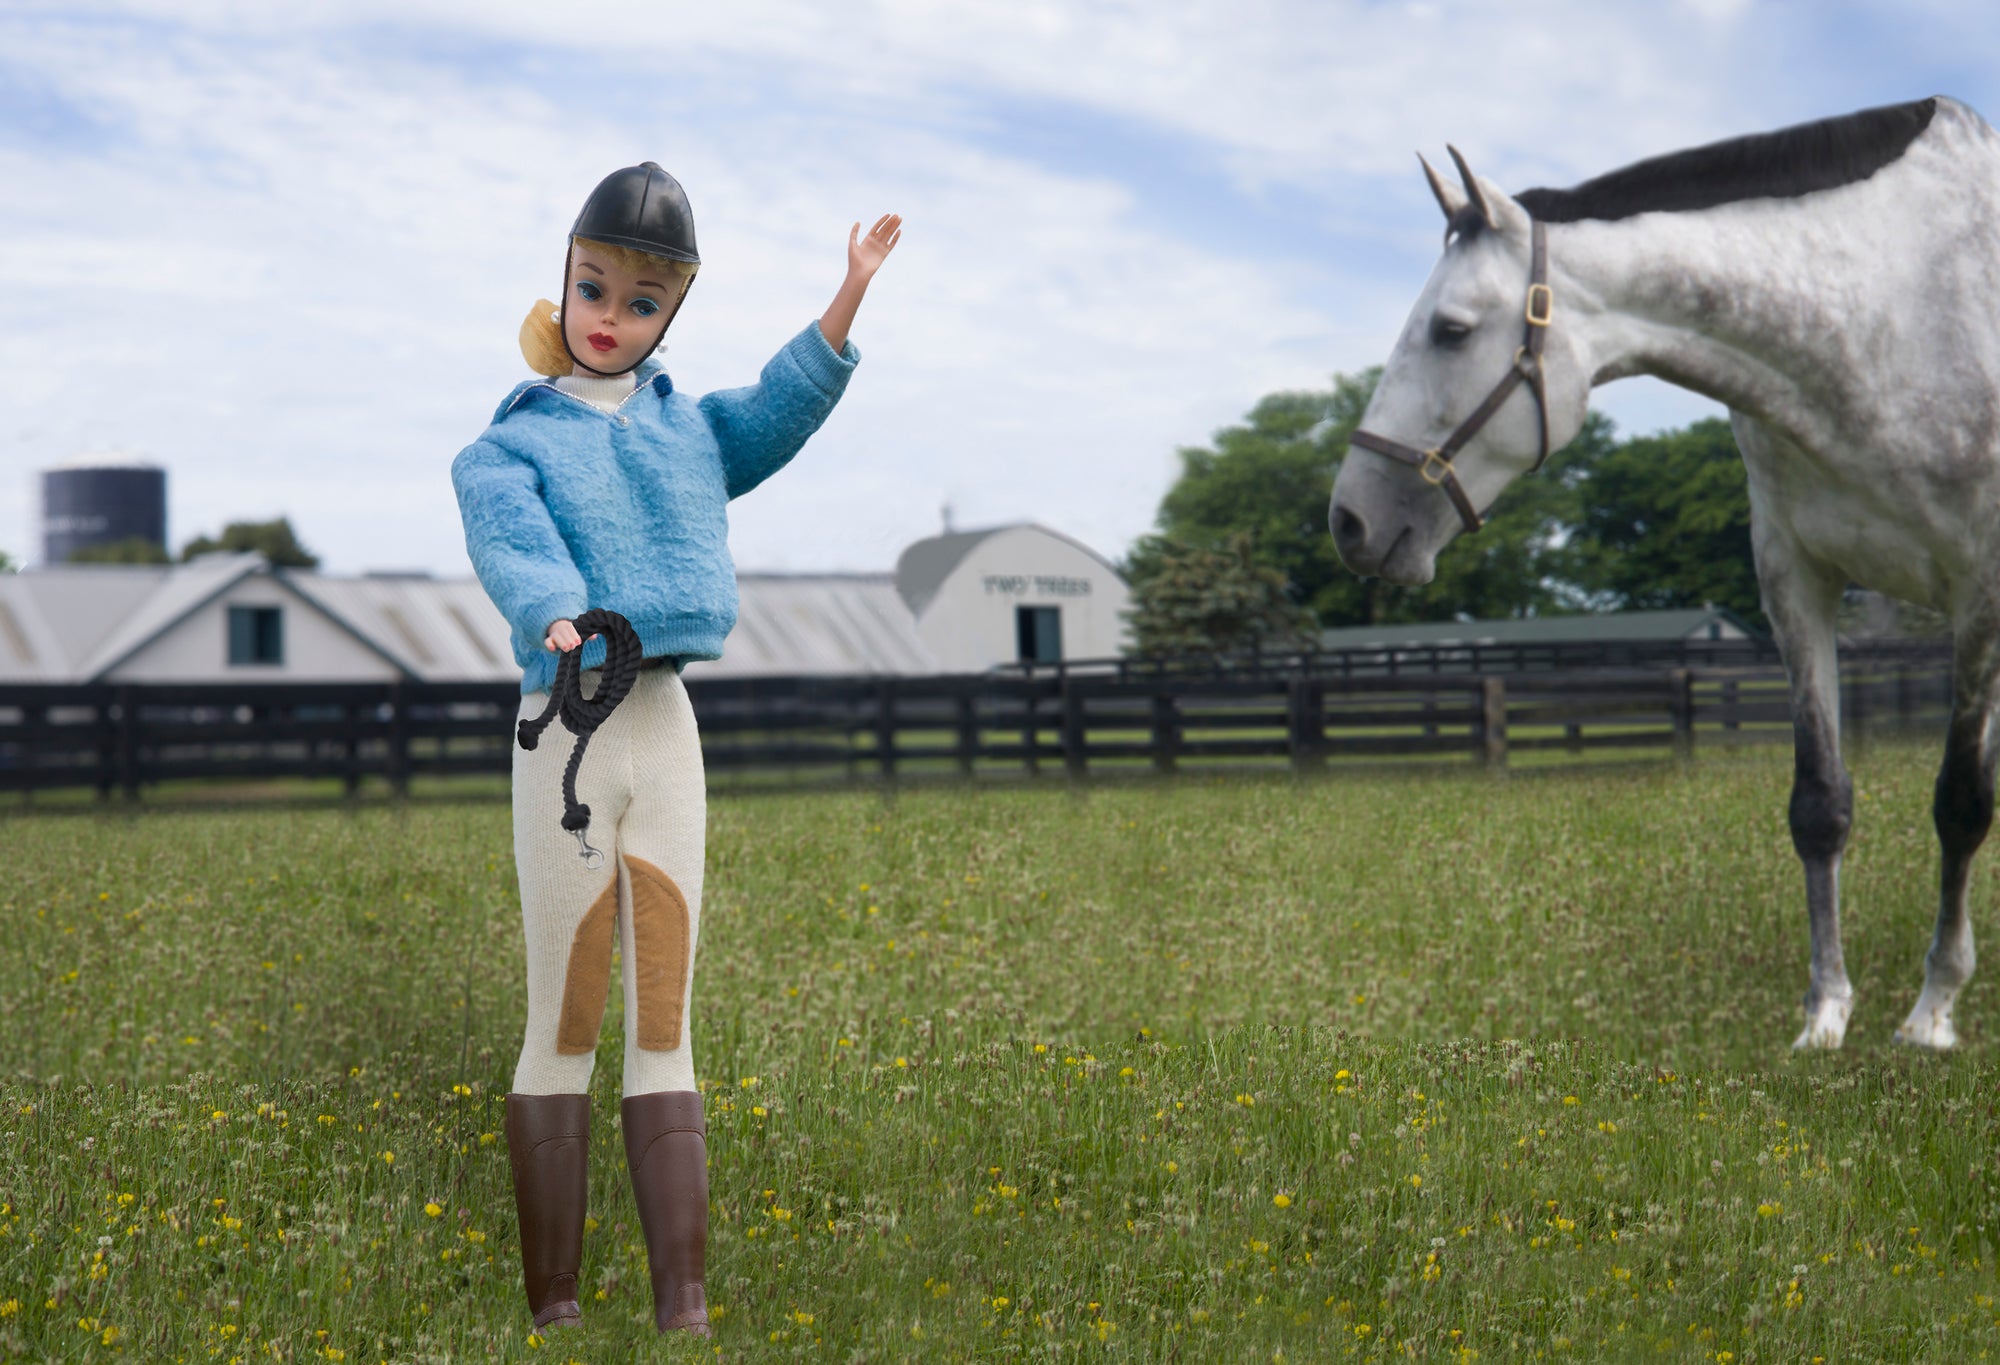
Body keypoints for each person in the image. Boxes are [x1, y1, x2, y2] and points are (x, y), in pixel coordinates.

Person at [452, 161, 900, 1337]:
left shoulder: (687, 431)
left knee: (666, 1007)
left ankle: (682, 1304)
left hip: (666, 722)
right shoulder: (509, 446)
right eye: (595, 288)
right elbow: (514, 542)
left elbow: (775, 410)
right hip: (571, 721)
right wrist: (553, 608)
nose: (610, 317)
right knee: (569, 1005)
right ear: (564, 280)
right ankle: (552, 1300)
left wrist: (844, 301)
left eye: (641, 302)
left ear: (670, 312)